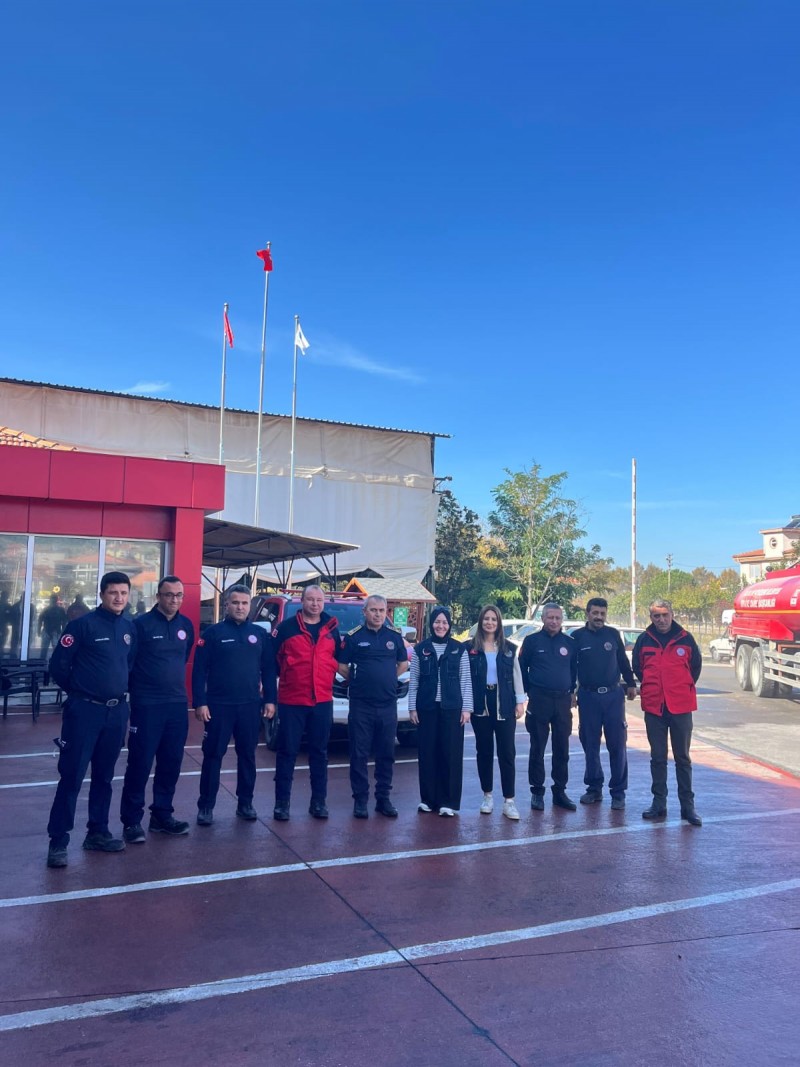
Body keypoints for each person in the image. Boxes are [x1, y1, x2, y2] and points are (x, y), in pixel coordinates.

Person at [45, 571, 137, 868]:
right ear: (102, 594)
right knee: (72, 776)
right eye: (113, 592)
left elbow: (129, 664)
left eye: (123, 593)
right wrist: (79, 692)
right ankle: (58, 841)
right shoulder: (81, 626)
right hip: (84, 712)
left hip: (116, 713)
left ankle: (97, 832)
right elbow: (58, 666)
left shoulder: (129, 627)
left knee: (104, 776)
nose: (119, 598)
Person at [119, 575, 195, 843]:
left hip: (177, 705)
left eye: (178, 595)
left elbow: (183, 658)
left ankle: (162, 815)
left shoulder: (186, 625)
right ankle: (131, 821)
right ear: (158, 596)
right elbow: (128, 663)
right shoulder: (140, 625)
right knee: (139, 764)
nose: (174, 600)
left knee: (170, 763)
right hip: (147, 705)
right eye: (169, 595)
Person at [192, 584, 275, 826]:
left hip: (249, 706)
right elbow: (199, 671)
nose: (240, 607)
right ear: (227, 604)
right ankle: (206, 806)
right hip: (219, 707)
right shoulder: (212, 634)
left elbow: (269, 670)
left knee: (247, 755)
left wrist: (270, 699)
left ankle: (245, 803)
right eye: (235, 603)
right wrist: (200, 702)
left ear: (250, 606)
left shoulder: (259, 634)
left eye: (244, 603)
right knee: (213, 755)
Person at [266, 585, 342, 821]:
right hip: (292, 701)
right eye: (310, 599)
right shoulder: (285, 628)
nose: (315, 604)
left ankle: (318, 802)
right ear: (302, 601)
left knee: (319, 753)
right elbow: (272, 663)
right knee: (287, 752)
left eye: (319, 600)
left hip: (322, 700)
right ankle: (282, 804)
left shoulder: (332, 629)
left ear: (324, 602)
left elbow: (337, 660)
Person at [632, 599, 703, 826]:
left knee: (682, 758)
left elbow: (695, 668)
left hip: (680, 707)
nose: (661, 619)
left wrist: (679, 687)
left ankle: (687, 807)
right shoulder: (644, 640)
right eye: (656, 616)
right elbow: (638, 668)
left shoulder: (686, 639)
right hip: (655, 707)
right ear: (651, 617)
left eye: (665, 615)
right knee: (658, 757)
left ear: (672, 614)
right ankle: (659, 803)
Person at [337, 595, 408, 818]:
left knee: (386, 753)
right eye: (373, 610)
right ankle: (360, 800)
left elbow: (403, 663)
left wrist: (388, 678)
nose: (378, 614)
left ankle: (383, 799)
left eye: (381, 610)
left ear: (386, 612)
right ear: (364, 612)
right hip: (362, 705)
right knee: (359, 754)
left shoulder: (394, 636)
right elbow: (341, 665)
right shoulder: (353, 637)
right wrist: (358, 680)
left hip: (387, 704)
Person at [572, 598, 637, 811]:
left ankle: (618, 792)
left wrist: (630, 683)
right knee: (590, 744)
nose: (599, 617)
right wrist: (571, 691)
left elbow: (623, 661)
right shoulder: (577, 637)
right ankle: (594, 788)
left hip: (613, 697)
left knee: (617, 745)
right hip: (588, 697)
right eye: (595, 613)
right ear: (588, 614)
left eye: (602, 613)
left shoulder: (613, 634)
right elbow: (571, 667)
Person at [408, 606, 473, 816]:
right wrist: (412, 707)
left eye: (444, 622)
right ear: (431, 623)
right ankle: (428, 799)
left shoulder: (459, 649)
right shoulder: (421, 649)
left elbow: (465, 680)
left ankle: (448, 802)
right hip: (427, 708)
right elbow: (414, 681)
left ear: (449, 625)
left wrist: (466, 708)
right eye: (437, 622)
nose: (441, 626)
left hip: (452, 708)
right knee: (427, 753)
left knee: (450, 754)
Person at [465, 605, 527, 820]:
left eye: (493, 619)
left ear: (499, 623)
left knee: (507, 752)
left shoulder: (509, 648)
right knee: (484, 751)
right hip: (481, 705)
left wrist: (520, 702)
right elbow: (465, 678)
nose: (489, 622)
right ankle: (487, 796)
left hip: (504, 704)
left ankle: (509, 801)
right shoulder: (470, 648)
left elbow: (517, 675)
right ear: (480, 621)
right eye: (486, 619)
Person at [519, 603, 577, 811]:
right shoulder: (531, 641)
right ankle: (537, 792)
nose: (554, 621)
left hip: (562, 701)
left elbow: (573, 670)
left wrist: (572, 691)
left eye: (557, 618)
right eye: (550, 617)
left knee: (562, 748)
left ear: (562, 620)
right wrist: (529, 691)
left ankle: (559, 792)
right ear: (542, 619)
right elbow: (521, 668)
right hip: (539, 700)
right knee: (538, 747)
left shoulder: (569, 643)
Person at [38, 593, 67, 659]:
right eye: (52, 599)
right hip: (49, 631)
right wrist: (38, 630)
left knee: (52, 650)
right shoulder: (48, 609)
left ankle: (51, 662)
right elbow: (40, 620)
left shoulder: (59, 610)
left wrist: (63, 630)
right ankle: (43, 661)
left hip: (54, 631)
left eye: (54, 599)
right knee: (46, 650)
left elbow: (64, 621)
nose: (53, 600)